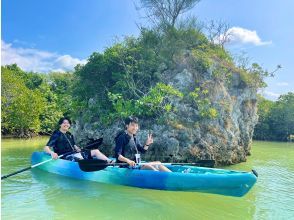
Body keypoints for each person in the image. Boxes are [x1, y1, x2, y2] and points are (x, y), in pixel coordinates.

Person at [44, 117, 112, 162]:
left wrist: (77, 148)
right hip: (65, 157)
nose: (66, 124)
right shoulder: (56, 134)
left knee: (96, 151)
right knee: (81, 159)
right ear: (60, 124)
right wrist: (52, 153)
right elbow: (46, 148)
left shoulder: (69, 134)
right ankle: (90, 166)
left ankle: (110, 162)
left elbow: (74, 145)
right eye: (64, 123)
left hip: (74, 153)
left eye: (68, 123)